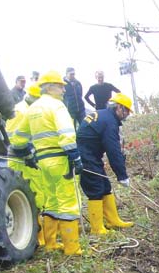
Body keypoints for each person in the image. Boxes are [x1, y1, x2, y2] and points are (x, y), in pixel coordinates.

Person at [10, 70, 83, 256]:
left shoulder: (33, 108)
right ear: (50, 87)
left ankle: (50, 243)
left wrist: (26, 152)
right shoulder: (56, 106)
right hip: (60, 159)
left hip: (41, 162)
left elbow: (18, 138)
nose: (63, 90)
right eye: (60, 86)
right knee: (68, 202)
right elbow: (66, 132)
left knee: (50, 202)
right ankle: (72, 248)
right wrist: (75, 156)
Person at [77, 93, 134, 235]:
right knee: (95, 187)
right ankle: (97, 228)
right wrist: (122, 176)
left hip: (92, 155)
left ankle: (112, 220)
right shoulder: (109, 122)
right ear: (119, 107)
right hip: (85, 156)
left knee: (105, 185)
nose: (127, 114)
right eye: (126, 110)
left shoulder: (105, 116)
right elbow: (113, 151)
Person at [6, 84, 46, 245]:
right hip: (21, 160)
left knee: (36, 193)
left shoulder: (23, 109)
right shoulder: (23, 112)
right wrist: (30, 156)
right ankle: (39, 235)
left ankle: (40, 232)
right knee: (35, 194)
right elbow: (17, 140)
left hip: (23, 159)